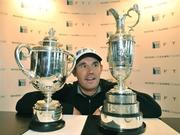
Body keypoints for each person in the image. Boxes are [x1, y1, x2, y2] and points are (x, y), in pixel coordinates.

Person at [16, 48, 162, 118]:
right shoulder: (65, 91)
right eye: (83, 66)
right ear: (73, 72)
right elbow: (22, 104)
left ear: (101, 69)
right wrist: (68, 109)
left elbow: (154, 109)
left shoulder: (113, 90)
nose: (90, 71)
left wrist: (108, 108)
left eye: (95, 65)